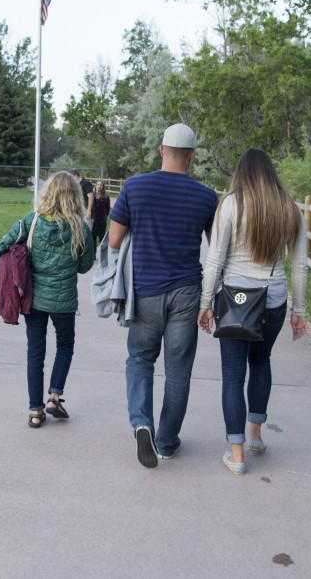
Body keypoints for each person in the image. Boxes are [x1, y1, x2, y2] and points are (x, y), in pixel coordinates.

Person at [108, 123, 219, 468]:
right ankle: (168, 442)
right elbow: (215, 249)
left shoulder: (135, 187)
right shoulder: (206, 197)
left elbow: (113, 241)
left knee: (140, 359)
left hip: (145, 291)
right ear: (193, 156)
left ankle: (142, 423)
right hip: (186, 292)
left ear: (161, 150)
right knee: (178, 371)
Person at [198, 148, 308, 475]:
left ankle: (237, 454)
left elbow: (215, 260)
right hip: (272, 299)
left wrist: (205, 303)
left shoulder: (231, 204)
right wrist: (298, 310)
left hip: (234, 300)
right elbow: (298, 265)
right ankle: (256, 437)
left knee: (233, 373)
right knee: (261, 362)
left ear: (241, 172)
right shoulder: (290, 208)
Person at [0, 171, 95, 428]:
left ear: (47, 193)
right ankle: (54, 396)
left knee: (35, 352)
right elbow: (85, 266)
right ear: (74, 196)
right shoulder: (80, 227)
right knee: (65, 346)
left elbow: (4, 244)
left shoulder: (31, 221)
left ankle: (35, 412)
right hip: (64, 301)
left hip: (33, 300)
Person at [91, 180, 111, 248]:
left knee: (102, 238)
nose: (99, 186)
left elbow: (108, 208)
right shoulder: (91, 196)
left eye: (101, 185)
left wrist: (105, 216)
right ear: (95, 185)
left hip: (102, 221)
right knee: (92, 238)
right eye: (98, 184)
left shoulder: (105, 197)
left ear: (103, 187)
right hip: (93, 220)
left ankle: (102, 255)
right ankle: (93, 255)